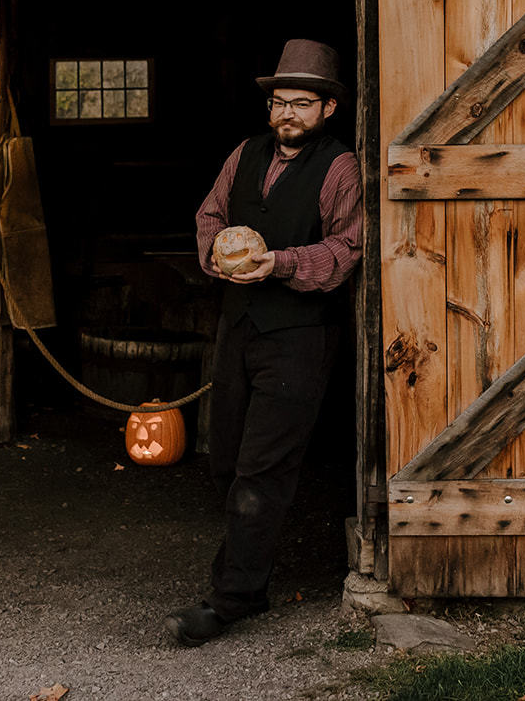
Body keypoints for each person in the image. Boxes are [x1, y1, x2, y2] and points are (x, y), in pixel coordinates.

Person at [165, 39, 362, 647]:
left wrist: (276, 263)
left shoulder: (340, 167)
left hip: (300, 337)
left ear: (329, 108)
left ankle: (232, 598)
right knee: (224, 458)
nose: (288, 115)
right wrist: (217, 257)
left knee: (262, 469)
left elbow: (348, 249)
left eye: (302, 103)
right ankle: (250, 575)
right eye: (279, 102)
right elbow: (208, 216)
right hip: (239, 327)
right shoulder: (244, 154)